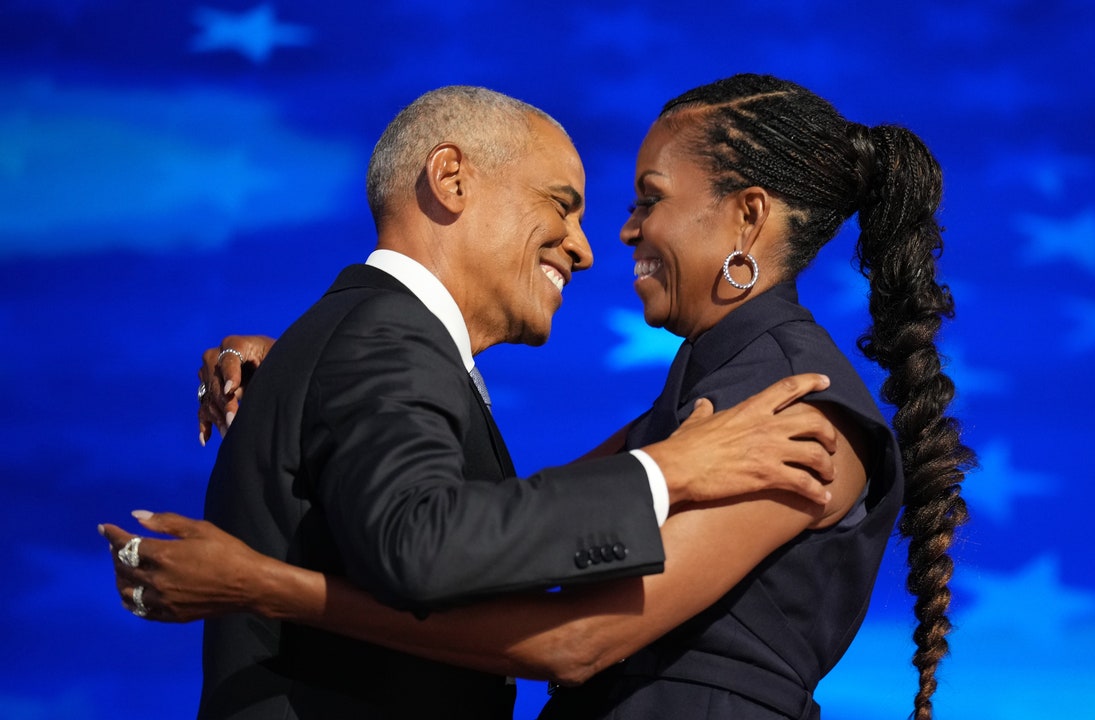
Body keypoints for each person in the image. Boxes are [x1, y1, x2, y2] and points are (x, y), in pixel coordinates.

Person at [106, 74, 973, 720]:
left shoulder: (792, 404)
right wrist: (305, 370)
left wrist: (267, 583)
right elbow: (501, 527)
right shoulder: (711, 394)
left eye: (648, 201)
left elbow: (574, 640)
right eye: (589, 205)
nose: (616, 237)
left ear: (748, 218)